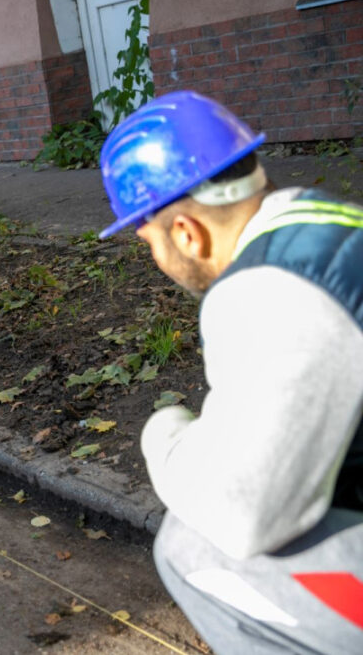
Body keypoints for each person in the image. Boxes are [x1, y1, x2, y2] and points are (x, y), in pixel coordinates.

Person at [99, 90, 363, 653]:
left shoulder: (268, 291)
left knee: (191, 548)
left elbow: (242, 512)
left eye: (148, 241)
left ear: (187, 232)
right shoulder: (328, 222)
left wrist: (164, 435)